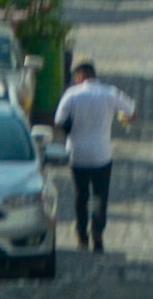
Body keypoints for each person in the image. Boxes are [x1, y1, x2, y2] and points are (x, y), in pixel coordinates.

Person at [52, 60, 137, 252]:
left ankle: (81, 236)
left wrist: (71, 128)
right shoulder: (109, 92)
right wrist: (121, 118)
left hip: (78, 154)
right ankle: (97, 231)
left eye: (75, 76)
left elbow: (58, 122)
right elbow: (132, 112)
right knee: (100, 195)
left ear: (81, 75)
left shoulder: (72, 95)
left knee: (81, 196)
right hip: (102, 154)